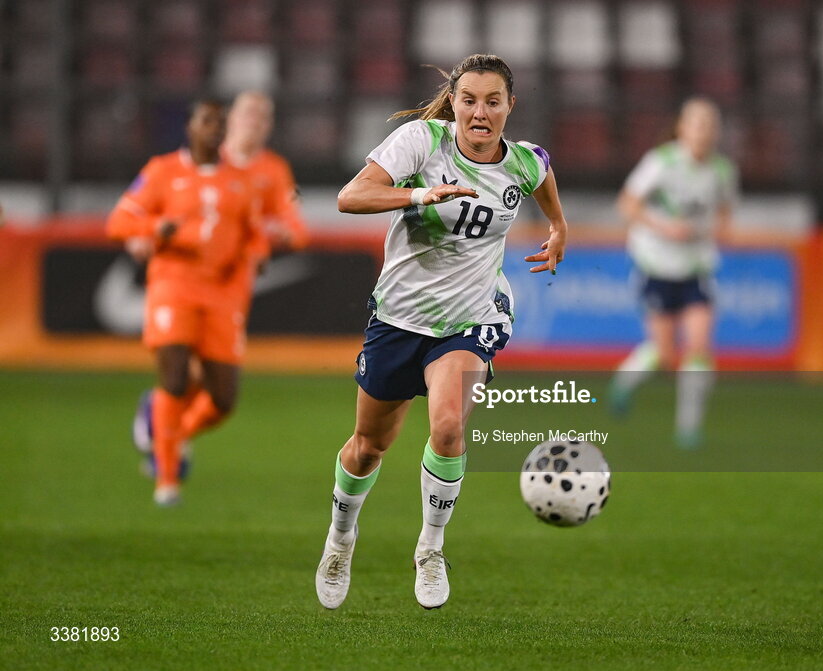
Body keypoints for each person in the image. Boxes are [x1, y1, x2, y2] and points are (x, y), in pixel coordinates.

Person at [314, 54, 568, 611]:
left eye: (493, 102)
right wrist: (416, 195)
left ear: (510, 107)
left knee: (448, 426)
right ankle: (341, 538)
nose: (480, 113)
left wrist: (557, 228)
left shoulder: (524, 162)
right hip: (399, 320)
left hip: (470, 319)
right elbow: (349, 197)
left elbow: (543, 178)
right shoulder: (421, 143)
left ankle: (430, 548)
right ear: (453, 101)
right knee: (368, 447)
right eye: (470, 100)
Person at [129, 91, 309, 477]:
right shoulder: (201, 160)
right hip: (186, 280)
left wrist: (274, 229)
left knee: (211, 385)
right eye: (249, 112)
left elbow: (293, 229)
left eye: (264, 115)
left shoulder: (273, 171)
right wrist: (142, 235)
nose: (255, 121)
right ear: (231, 119)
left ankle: (168, 435)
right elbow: (153, 204)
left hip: (233, 285)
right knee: (191, 370)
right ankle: (167, 443)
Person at [107, 99, 268, 506]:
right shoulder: (162, 172)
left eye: (220, 124)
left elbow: (254, 231)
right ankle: (166, 478)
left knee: (222, 400)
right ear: (190, 128)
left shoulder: (241, 180)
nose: (215, 130)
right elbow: (119, 222)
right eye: (207, 122)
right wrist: (154, 227)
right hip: (173, 286)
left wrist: (258, 252)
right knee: (175, 378)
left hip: (221, 294)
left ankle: (166, 434)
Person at [608, 98, 739, 449]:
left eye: (711, 126)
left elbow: (725, 213)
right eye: (698, 125)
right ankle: (624, 381)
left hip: (696, 266)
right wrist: (665, 227)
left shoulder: (723, 171)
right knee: (665, 355)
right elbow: (627, 203)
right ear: (683, 128)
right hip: (655, 263)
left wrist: (713, 229)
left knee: (698, 347)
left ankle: (688, 428)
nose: (705, 132)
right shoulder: (662, 162)